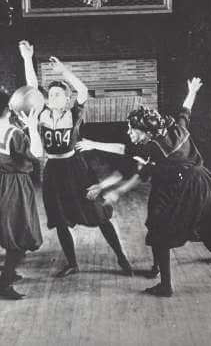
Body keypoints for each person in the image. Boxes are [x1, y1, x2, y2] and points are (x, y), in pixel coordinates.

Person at [82, 77, 211, 296]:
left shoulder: (153, 148)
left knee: (159, 230)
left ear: (147, 132)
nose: (129, 133)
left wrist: (93, 144)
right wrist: (192, 90)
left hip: (183, 190)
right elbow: (186, 110)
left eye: (133, 130)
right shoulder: (177, 129)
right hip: (207, 183)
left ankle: (165, 286)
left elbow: (124, 150)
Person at [19, 40, 133, 277]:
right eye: (50, 94)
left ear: (66, 98)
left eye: (57, 93)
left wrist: (64, 72)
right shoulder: (41, 115)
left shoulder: (74, 113)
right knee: (60, 220)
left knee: (99, 215)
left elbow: (82, 91)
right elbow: (32, 87)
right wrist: (28, 59)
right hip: (52, 170)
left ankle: (122, 257)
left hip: (76, 169)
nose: (52, 96)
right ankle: (72, 263)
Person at [0, 86, 43, 299]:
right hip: (16, 185)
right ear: (10, 108)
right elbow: (37, 154)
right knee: (20, 232)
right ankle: (4, 283)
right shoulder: (14, 133)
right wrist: (33, 128)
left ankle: (11, 272)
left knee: (11, 230)